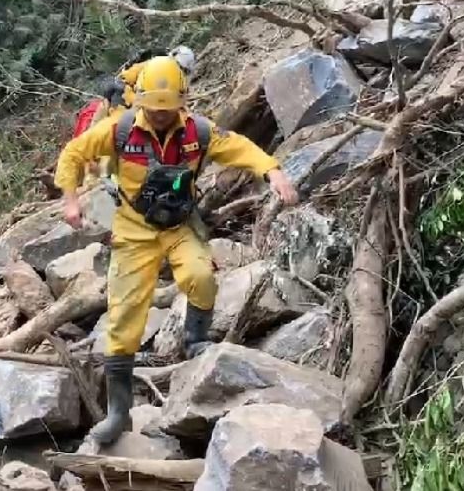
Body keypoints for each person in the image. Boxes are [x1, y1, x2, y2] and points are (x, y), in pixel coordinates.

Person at [54, 56, 297, 446]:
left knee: (200, 276)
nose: (161, 116)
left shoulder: (198, 132)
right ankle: (119, 412)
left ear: (181, 103)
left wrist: (273, 170)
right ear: (142, 103)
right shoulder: (118, 129)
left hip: (181, 223)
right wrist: (70, 200)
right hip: (135, 229)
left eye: (168, 110)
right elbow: (73, 154)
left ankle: (195, 340)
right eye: (154, 110)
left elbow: (239, 148)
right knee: (124, 315)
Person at [73, 46, 197, 187]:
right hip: (122, 101)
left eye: (183, 69)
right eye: (179, 66)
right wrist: (135, 102)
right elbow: (123, 80)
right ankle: (93, 180)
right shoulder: (151, 67)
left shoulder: (178, 82)